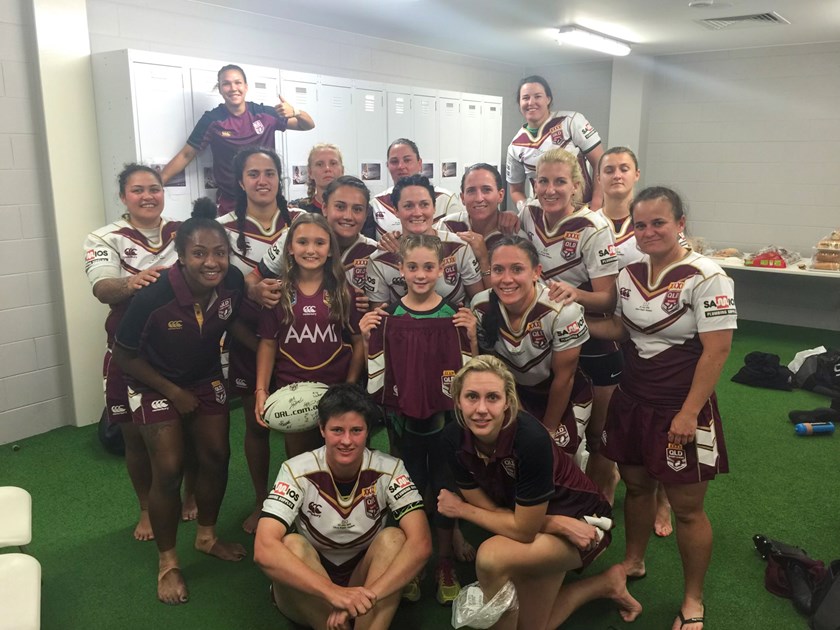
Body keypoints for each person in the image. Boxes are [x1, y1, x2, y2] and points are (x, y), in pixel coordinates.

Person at [588, 187, 735, 630]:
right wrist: (570, 315)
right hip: (632, 400)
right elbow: (623, 329)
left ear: (680, 224)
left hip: (679, 407)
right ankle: (634, 560)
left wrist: (689, 412)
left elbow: (718, 350)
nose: (649, 231)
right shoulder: (629, 273)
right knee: (636, 489)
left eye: (659, 223)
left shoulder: (708, 276)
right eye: (641, 224)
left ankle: (693, 600)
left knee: (687, 509)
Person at [438, 356, 641, 629]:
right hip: (535, 519)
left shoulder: (529, 439)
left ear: (508, 402)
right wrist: (551, 523)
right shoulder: (452, 438)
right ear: (458, 401)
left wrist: (461, 509)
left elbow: (523, 531)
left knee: (491, 557)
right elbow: (492, 510)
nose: (481, 409)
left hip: (583, 521)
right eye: (472, 396)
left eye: (493, 397)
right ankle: (605, 584)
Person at [112, 198, 249, 605]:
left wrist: (267, 350)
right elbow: (124, 355)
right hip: (152, 382)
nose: (212, 262)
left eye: (220, 252)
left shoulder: (233, 281)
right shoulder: (153, 297)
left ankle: (206, 536)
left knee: (217, 455)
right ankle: (168, 562)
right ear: (182, 256)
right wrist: (173, 393)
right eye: (200, 253)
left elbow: (231, 320)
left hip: (205, 377)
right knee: (169, 469)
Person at [254, 383, 432, 630]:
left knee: (394, 538)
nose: (346, 441)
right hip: (312, 584)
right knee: (291, 544)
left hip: (365, 582)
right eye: (337, 430)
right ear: (322, 429)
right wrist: (332, 593)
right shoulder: (295, 471)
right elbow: (263, 548)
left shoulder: (391, 469)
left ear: (368, 431)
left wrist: (366, 597)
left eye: (356, 430)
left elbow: (421, 543)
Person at [361, 234, 477, 605]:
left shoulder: (454, 315)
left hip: (446, 424)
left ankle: (443, 562)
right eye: (412, 267)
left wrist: (472, 336)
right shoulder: (390, 317)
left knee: (444, 489)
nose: (421, 274)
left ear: (442, 269)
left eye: (429, 267)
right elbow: (378, 371)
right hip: (405, 423)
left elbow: (471, 373)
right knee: (408, 490)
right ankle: (411, 563)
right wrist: (366, 337)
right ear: (401, 269)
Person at [85, 164, 187, 541]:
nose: (148, 196)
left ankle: (191, 495)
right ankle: (146, 507)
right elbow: (102, 289)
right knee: (133, 436)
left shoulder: (182, 231)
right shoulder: (104, 237)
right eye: (138, 190)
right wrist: (131, 283)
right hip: (128, 351)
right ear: (123, 196)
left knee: (192, 429)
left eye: (154, 189)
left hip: (183, 349)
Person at [521, 147, 619, 475]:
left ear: (576, 186)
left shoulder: (594, 227)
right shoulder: (527, 214)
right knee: (557, 423)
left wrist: (575, 294)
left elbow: (608, 300)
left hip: (592, 338)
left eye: (560, 182)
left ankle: (604, 486)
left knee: (598, 433)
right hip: (545, 338)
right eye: (543, 181)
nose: (550, 190)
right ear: (534, 184)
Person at [217, 147, 298, 534]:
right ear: (240, 181)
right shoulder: (221, 229)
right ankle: (262, 500)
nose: (262, 180)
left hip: (302, 338)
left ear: (280, 178)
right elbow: (218, 292)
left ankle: (305, 498)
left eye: (269, 173)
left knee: (302, 422)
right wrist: (250, 291)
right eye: (253, 174)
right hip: (247, 337)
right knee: (257, 423)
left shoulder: (300, 220)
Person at [594, 146, 674, 531]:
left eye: (624, 168)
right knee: (613, 416)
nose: (616, 175)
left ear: (636, 174)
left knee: (657, 418)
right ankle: (608, 477)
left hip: (648, 328)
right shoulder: (588, 221)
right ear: (598, 177)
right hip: (605, 327)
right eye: (608, 169)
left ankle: (662, 499)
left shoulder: (647, 223)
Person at [254, 213, 365, 460]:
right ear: (290, 248)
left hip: (335, 389)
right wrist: (261, 389)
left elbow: (359, 342)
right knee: (300, 461)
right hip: (292, 391)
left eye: (320, 243)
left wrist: (349, 385)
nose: (311, 250)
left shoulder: (343, 291)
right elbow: (268, 343)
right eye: (302, 242)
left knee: (341, 457)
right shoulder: (277, 292)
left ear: (330, 250)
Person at [472, 236, 590, 462]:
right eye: (498, 270)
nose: (507, 279)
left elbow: (565, 378)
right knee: (511, 458)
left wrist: (547, 430)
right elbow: (494, 368)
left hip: (561, 395)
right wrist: (520, 413)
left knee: (557, 460)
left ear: (536, 272)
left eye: (517, 269)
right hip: (514, 393)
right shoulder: (480, 306)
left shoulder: (563, 311)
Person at [161, 64, 315, 215]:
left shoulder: (264, 114)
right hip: (231, 202)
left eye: (238, 82)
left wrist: (296, 111)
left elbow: (307, 125)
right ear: (220, 89)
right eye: (226, 84)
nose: (233, 88)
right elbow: (186, 154)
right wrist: (156, 183)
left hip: (267, 198)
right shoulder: (212, 120)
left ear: (246, 87)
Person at [251, 175, 379, 308]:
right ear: (325, 208)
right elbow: (253, 278)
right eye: (340, 207)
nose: (348, 216)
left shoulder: (374, 252)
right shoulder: (295, 238)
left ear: (366, 214)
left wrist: (369, 308)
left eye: (357, 209)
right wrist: (256, 292)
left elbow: (381, 306)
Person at [365, 174, 485, 307]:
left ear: (434, 207)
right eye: (408, 206)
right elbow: (380, 315)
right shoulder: (379, 259)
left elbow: (479, 303)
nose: (417, 213)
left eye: (424, 204)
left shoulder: (459, 247)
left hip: (453, 320)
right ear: (396, 211)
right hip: (401, 321)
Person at [506, 75, 604, 212]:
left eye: (538, 96)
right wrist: (526, 209)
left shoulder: (571, 122)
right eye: (525, 98)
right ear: (519, 102)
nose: (531, 102)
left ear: (548, 99)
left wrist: (596, 204)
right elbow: (515, 190)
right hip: (545, 215)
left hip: (583, 210)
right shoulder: (515, 146)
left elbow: (600, 162)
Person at [436, 163, 526, 278]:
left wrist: (484, 259)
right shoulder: (446, 226)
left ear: (500, 195)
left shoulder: (514, 234)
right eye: (471, 191)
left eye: (486, 190)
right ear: (462, 198)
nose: (479, 198)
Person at [370, 138, 464, 239]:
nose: (401, 166)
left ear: (419, 163)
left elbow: (458, 241)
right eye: (394, 161)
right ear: (387, 166)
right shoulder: (377, 203)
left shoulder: (446, 199)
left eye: (407, 160)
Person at [289, 143, 343, 214]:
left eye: (333, 163)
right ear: (310, 172)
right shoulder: (297, 211)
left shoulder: (355, 208)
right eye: (320, 164)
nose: (327, 168)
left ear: (342, 170)